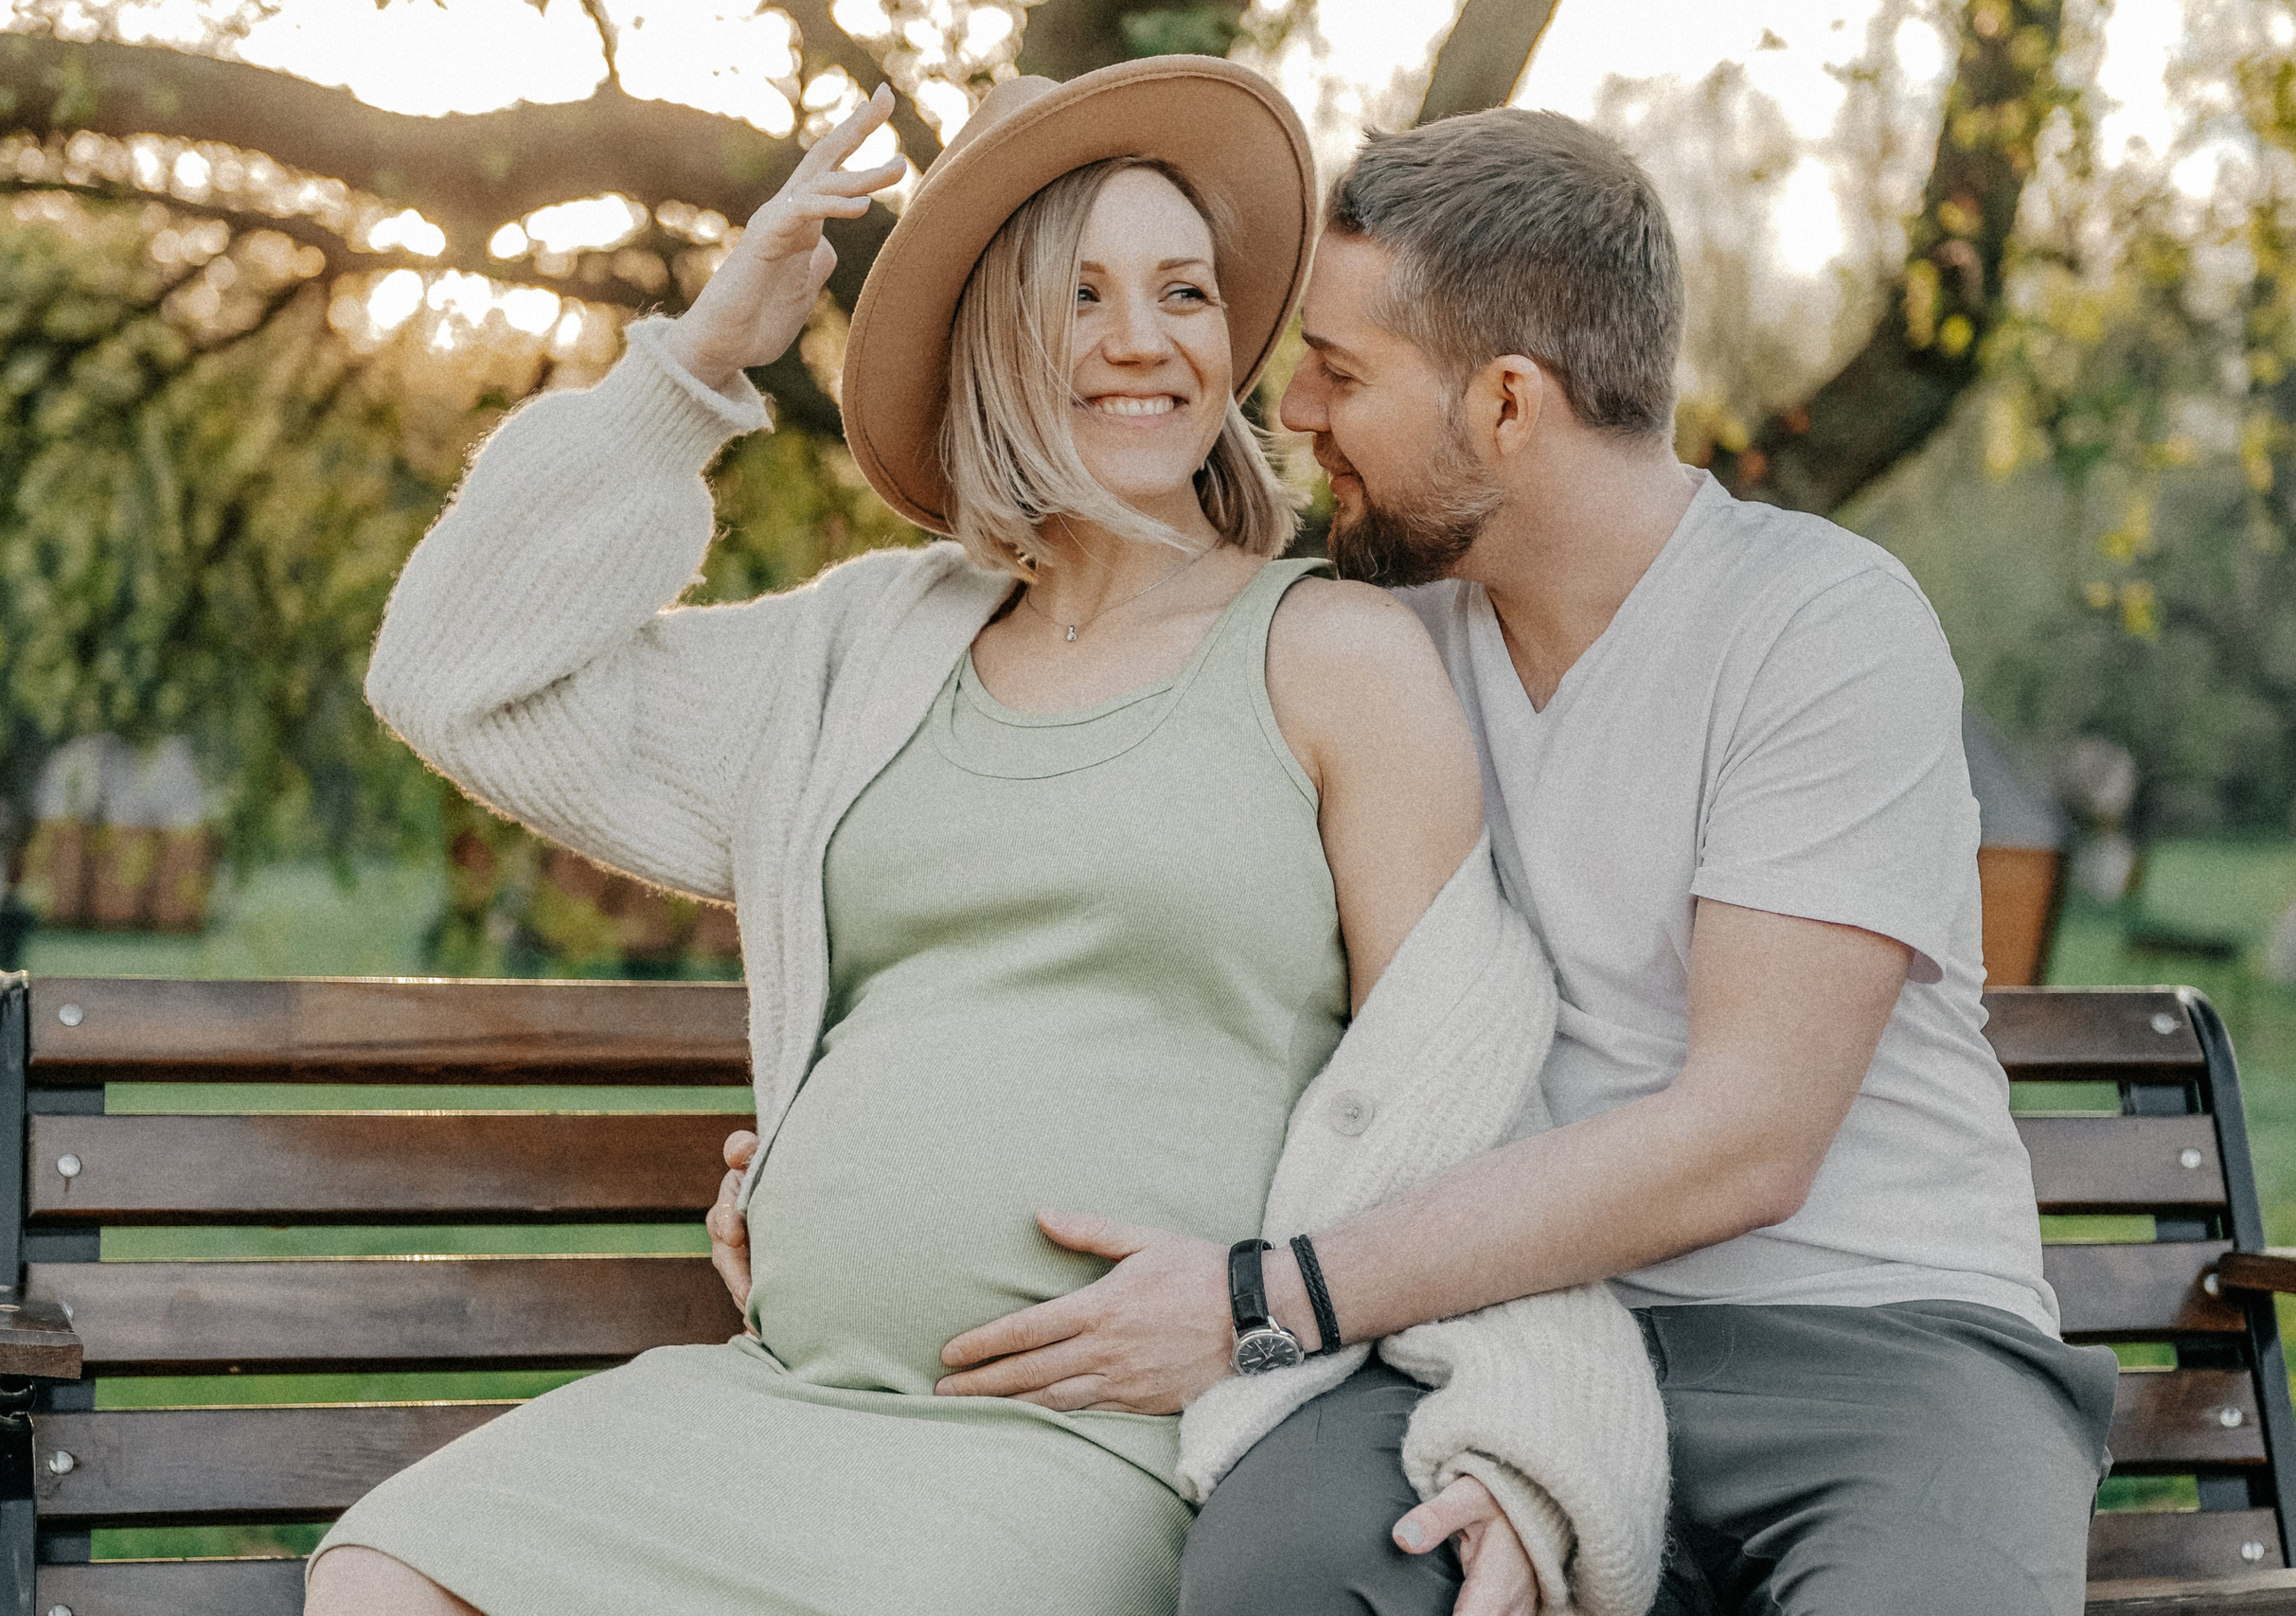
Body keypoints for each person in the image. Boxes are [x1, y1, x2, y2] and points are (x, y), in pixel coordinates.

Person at [722, 107, 2122, 1616]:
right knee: (1284, 1582)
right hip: (1484, 1328)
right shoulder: (1365, 640)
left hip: (1875, 1346)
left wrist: (1269, 1302)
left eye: (1340, 370)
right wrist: (833, 1132)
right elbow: (1107, 902)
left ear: (1507, 404)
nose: (1295, 411)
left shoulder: (1820, 628)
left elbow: (1747, 1138)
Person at [309, 59, 1664, 1616]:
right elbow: (452, 674)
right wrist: (696, 361)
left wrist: (1521, 1437)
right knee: (388, 1569)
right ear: (993, 337)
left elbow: (1460, 1098)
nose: (1143, 341)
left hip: (1092, 1445)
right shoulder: (863, 650)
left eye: (1184, 291)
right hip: (788, 1396)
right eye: (1080, 295)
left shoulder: (1335, 657)